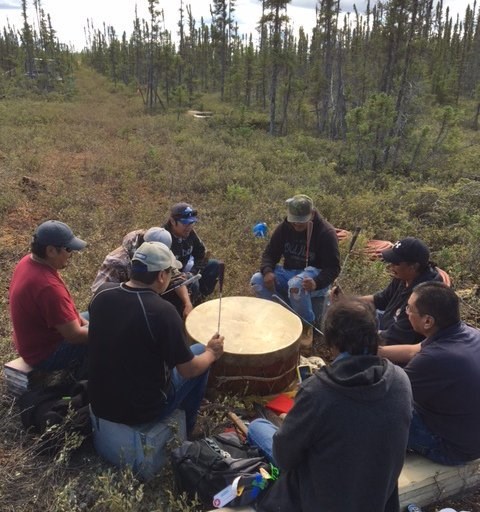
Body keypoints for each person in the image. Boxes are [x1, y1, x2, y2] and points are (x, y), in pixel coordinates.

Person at [247, 298, 413, 512]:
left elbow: (285, 459)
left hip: (320, 501)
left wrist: (294, 421)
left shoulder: (318, 391)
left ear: (332, 341)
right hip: (378, 498)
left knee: (258, 426)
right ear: (375, 334)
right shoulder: (400, 380)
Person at [88, 241, 224, 436]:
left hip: (99, 402)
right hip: (143, 410)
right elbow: (188, 370)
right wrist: (212, 352)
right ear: (161, 276)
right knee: (200, 354)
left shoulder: (103, 293)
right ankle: (190, 427)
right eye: (170, 273)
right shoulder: (163, 312)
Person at [379, 282, 480, 465]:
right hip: (469, 434)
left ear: (428, 321)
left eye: (409, 308)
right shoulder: (467, 333)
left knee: (375, 411)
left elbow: (387, 395)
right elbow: (413, 350)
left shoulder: (436, 358)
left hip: (453, 448)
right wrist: (375, 351)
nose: (406, 312)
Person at [250, 194, 340, 332]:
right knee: (257, 280)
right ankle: (285, 316)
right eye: (294, 220)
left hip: (314, 277)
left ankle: (305, 329)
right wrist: (268, 271)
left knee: (296, 285)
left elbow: (333, 268)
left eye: (301, 221)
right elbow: (270, 253)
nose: (297, 224)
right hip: (289, 273)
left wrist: (317, 282)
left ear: (312, 214)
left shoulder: (325, 233)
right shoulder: (284, 228)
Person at [9, 220, 89, 372]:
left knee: (98, 317)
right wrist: (107, 331)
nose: (71, 254)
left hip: (32, 343)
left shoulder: (28, 261)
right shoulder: (48, 287)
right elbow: (74, 336)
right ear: (51, 251)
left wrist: (87, 323)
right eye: (68, 249)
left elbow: (69, 315)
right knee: (110, 339)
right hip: (45, 354)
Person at [334, 237, 444, 345]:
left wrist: (360, 339)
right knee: (356, 313)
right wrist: (347, 301)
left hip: (401, 347)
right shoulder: (404, 277)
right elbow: (382, 299)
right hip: (388, 325)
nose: (391, 266)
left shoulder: (423, 296)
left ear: (413, 266)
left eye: (396, 263)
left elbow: (397, 337)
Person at [91, 227, 193, 318]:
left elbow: (176, 276)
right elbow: (99, 295)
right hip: (122, 305)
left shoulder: (159, 255)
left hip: (146, 296)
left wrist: (187, 303)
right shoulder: (117, 262)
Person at [164, 202, 220, 304]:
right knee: (192, 282)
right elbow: (162, 271)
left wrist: (193, 272)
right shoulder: (164, 238)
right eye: (185, 223)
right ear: (172, 221)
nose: (189, 226)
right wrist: (185, 277)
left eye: (192, 222)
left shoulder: (190, 233)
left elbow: (201, 255)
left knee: (214, 265)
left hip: (186, 269)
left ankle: (200, 299)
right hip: (169, 279)